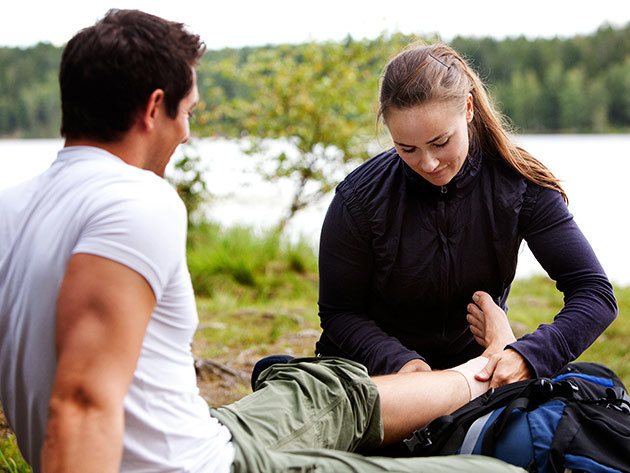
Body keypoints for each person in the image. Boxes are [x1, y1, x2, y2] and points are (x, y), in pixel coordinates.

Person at [0, 10, 525, 473]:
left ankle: (477, 372)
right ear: (154, 108)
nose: (186, 133)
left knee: (328, 390)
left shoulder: (10, 208)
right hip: (200, 463)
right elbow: (82, 398)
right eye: (188, 112)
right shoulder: (136, 200)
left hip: (203, 431)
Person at [315, 42, 618, 387]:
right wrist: (401, 363)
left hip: (474, 378)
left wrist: (527, 355)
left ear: (469, 109)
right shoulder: (359, 198)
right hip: (377, 379)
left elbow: (594, 293)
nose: (428, 163)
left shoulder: (522, 185)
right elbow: (339, 311)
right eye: (407, 148)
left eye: (441, 142)